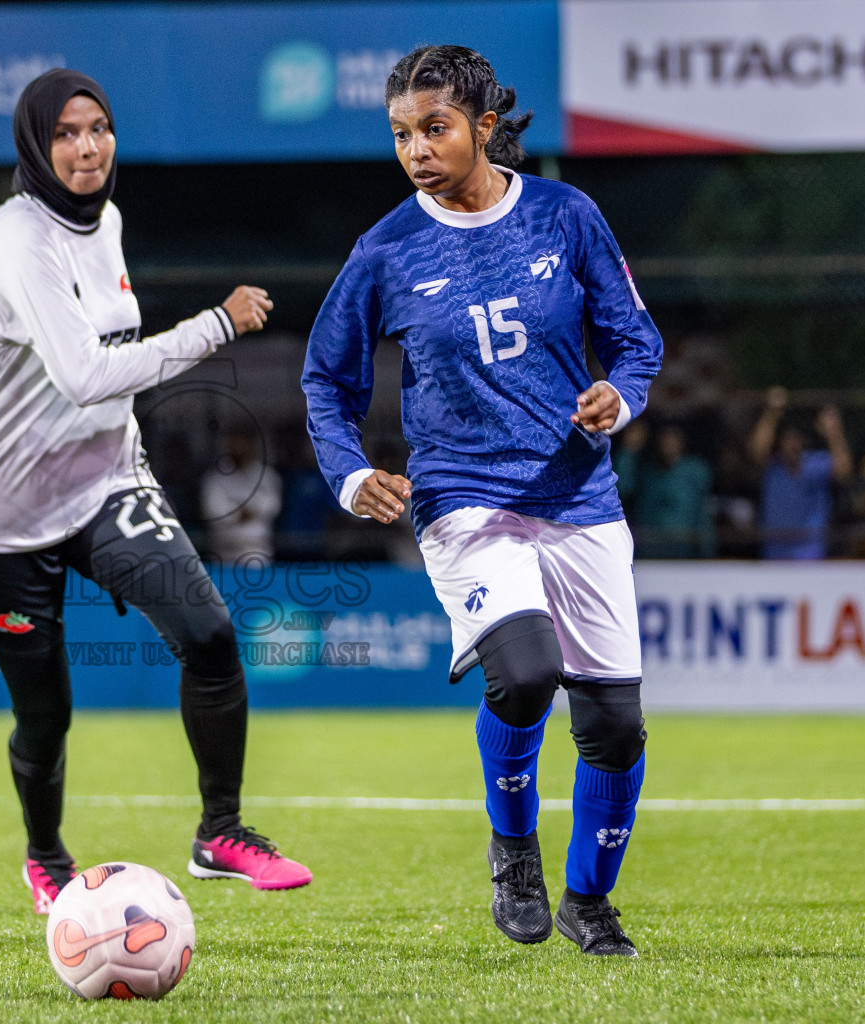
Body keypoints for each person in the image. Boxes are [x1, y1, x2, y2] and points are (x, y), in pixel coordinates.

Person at [302, 45, 661, 956]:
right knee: (526, 669)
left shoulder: (566, 214)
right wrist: (350, 471)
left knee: (614, 727)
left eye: (435, 128)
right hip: (461, 497)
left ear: (484, 127)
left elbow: (636, 342)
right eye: (401, 134)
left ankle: (590, 900)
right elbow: (324, 378)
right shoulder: (384, 250)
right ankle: (513, 849)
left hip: (577, 492)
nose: (416, 149)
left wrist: (620, 396)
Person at [0, 69, 311, 915]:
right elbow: (82, 373)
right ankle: (45, 856)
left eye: (99, 128)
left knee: (209, 631)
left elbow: (106, 376)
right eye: (66, 133)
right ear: (36, 144)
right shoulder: (17, 240)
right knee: (47, 717)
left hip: (106, 478)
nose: (86, 147)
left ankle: (222, 830)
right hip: (3, 511)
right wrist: (214, 325)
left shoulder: (103, 220)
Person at [747, 387, 852, 559]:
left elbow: (843, 471)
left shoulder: (816, 464)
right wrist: (771, 413)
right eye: (788, 439)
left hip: (810, 553)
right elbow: (756, 451)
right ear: (780, 442)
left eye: (797, 439)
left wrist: (833, 432)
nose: (793, 444)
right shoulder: (773, 467)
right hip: (774, 553)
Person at [631, 424, 714, 558]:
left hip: (685, 550)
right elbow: (623, 487)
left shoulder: (695, 471)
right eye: (664, 441)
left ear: (682, 444)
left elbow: (702, 513)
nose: (668, 445)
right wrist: (630, 450)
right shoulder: (646, 474)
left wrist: (707, 551)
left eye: (673, 441)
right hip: (651, 550)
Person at [201, 427, 281, 563]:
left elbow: (271, 506)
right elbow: (214, 511)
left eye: (242, 444)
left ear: (251, 446)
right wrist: (240, 513)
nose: (238, 449)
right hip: (225, 550)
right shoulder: (215, 478)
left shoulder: (267, 476)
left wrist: (240, 509)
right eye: (233, 444)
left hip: (258, 549)